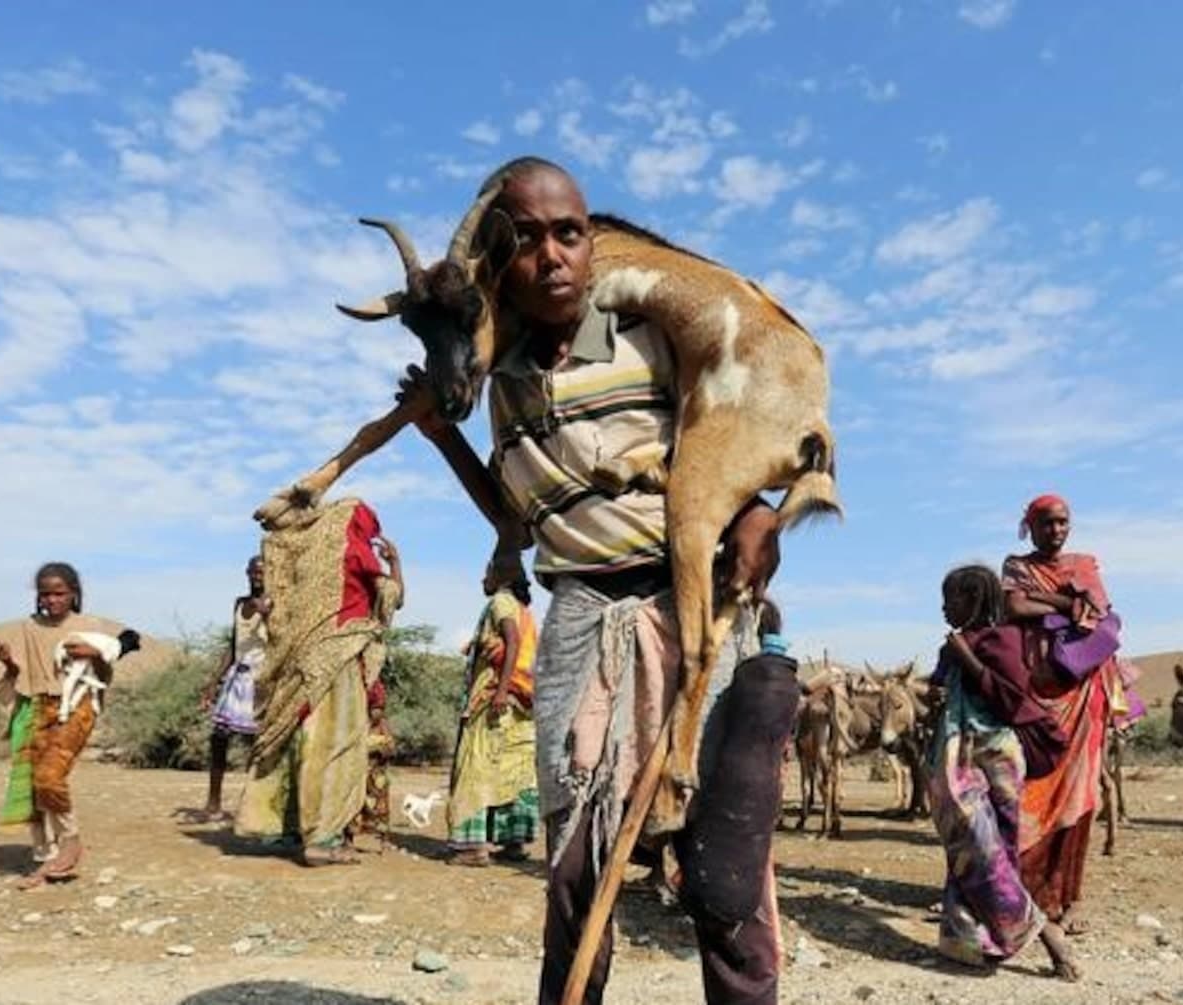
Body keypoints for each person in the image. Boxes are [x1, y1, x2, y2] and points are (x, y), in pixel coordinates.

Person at [401, 156, 790, 1005]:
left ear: (592, 241)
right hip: (578, 612)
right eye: (528, 239)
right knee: (575, 863)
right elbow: (517, 516)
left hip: (687, 603)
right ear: (499, 261)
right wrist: (442, 438)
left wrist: (758, 512)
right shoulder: (499, 381)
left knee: (724, 872)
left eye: (568, 232)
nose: (553, 255)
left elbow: (719, 453)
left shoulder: (650, 339)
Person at [924, 565, 1078, 980]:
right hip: (959, 756)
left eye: (951, 598)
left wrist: (967, 659)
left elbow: (1013, 698)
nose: (943, 607)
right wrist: (934, 687)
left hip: (998, 757)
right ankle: (971, 941)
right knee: (970, 847)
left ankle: (1044, 933)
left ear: (974, 600)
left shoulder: (1003, 640)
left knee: (993, 853)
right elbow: (938, 687)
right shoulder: (951, 646)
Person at [235, 501, 403, 867]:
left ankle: (284, 828)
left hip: (302, 665)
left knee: (302, 738)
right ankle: (322, 839)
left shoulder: (309, 555)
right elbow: (391, 599)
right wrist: (395, 564)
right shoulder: (356, 552)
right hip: (340, 660)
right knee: (336, 747)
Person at [1001, 494, 1125, 935]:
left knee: (1080, 797)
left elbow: (1096, 614)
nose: (1056, 531)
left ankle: (1069, 897)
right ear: (1030, 526)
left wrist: (1045, 600)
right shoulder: (1016, 565)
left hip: (1082, 694)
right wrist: (1061, 604)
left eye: (1063, 523)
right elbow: (1013, 607)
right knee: (1028, 791)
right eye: (1048, 523)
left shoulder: (1085, 564)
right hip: (1037, 690)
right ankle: (1022, 894)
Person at [0, 562, 139, 889]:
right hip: (37, 706)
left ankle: (70, 842)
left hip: (78, 705)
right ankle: (45, 859)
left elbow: (105, 665)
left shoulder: (89, 624)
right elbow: (23, 674)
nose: (52, 600)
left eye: (59, 593)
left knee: (50, 775)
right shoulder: (29, 627)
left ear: (73, 594)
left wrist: (93, 653)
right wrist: (8, 663)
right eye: (45, 594)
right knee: (32, 785)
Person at [445, 560, 540, 866]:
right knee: (514, 770)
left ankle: (473, 848)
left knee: (476, 767)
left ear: (503, 577)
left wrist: (499, 689)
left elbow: (511, 641)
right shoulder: (524, 611)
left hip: (495, 699)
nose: (482, 579)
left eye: (487, 573)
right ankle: (513, 843)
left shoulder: (500, 601)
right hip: (522, 701)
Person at [197, 555, 269, 822]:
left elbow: (281, 640)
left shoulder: (274, 604)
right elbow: (234, 642)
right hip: (237, 678)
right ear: (247, 573)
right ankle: (213, 803)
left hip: (261, 679)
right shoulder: (240, 604)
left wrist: (269, 616)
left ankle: (256, 807)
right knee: (219, 738)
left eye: (263, 571)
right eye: (254, 571)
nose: (257, 576)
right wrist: (214, 679)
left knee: (256, 745)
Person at [355, 537, 404, 852]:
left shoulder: (375, 596)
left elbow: (396, 599)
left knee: (373, 755)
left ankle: (368, 824)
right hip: (350, 678)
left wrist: (394, 563)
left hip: (367, 680)